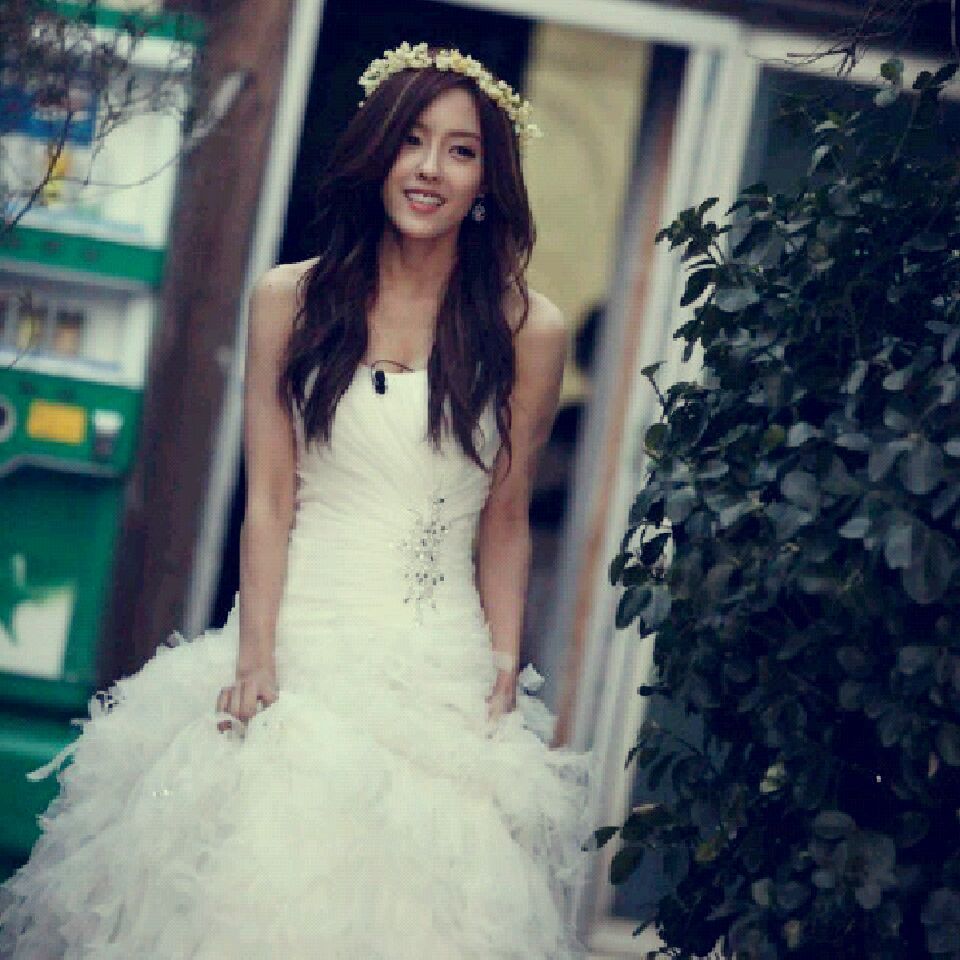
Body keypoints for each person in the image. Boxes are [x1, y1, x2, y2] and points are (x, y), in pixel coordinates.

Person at [0, 41, 601, 959]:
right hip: (299, 642)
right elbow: (271, 500)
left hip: (436, 664)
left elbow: (508, 518)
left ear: (487, 181)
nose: (430, 169)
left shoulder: (529, 329)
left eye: (461, 151)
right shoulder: (291, 298)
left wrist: (502, 665)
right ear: (377, 152)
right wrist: (256, 657)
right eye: (411, 141)